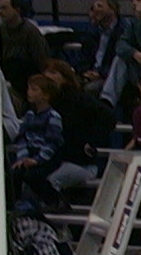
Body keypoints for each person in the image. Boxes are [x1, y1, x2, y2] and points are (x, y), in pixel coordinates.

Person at [41, 58, 116, 204]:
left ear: (65, 77)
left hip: (80, 162)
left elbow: (108, 118)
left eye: (53, 72)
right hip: (55, 160)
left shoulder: (78, 98)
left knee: (49, 182)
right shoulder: (45, 102)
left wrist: (92, 141)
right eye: (46, 73)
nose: (48, 76)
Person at [9, 74, 64, 213]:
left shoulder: (53, 116)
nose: (29, 92)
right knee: (15, 172)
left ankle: (54, 200)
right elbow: (22, 138)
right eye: (29, 89)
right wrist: (22, 157)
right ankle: (18, 203)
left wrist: (37, 159)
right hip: (29, 153)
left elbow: (53, 143)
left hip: (47, 156)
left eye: (34, 89)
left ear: (45, 95)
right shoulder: (29, 115)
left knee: (33, 175)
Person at [0, 0, 49, 103]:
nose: (0, 12)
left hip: (25, 78)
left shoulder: (31, 32)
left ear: (17, 10)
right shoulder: (0, 30)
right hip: (5, 75)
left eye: (4, 8)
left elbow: (41, 59)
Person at [78, 0, 124, 96]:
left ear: (112, 10)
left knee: (89, 90)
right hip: (90, 74)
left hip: (110, 77)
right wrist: (85, 71)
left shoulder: (124, 31)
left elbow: (120, 59)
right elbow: (84, 56)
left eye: (100, 6)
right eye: (93, 7)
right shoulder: (91, 31)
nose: (95, 10)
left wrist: (101, 74)